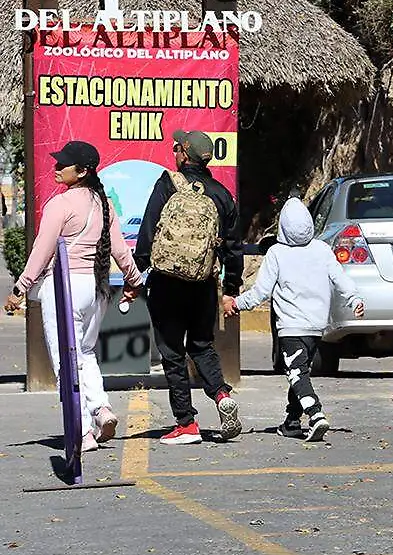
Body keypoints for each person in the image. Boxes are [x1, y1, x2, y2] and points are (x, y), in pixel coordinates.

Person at [4, 141, 144, 451]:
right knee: (86, 352)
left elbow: (42, 251)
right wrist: (135, 281)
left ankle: (82, 431)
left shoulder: (60, 204)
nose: (56, 168)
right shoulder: (105, 204)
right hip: (97, 290)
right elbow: (121, 251)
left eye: (63, 164)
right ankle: (101, 408)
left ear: (82, 171)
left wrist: (21, 287)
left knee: (66, 363)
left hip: (64, 288)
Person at [133, 130, 245, 445]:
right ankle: (222, 395)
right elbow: (233, 249)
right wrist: (230, 287)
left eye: (176, 148)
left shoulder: (167, 184)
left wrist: (141, 269)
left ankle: (186, 423)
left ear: (184, 153)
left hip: (167, 283)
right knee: (201, 345)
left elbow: (148, 231)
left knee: (172, 351)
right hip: (203, 284)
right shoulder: (222, 195)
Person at [224, 197, 364, 442]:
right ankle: (291, 422)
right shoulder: (322, 250)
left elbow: (261, 292)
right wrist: (354, 299)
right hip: (316, 327)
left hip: (291, 327)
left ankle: (315, 412)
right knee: (299, 372)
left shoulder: (276, 253)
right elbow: (340, 279)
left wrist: (236, 303)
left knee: (296, 373)